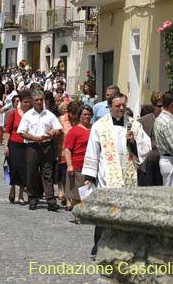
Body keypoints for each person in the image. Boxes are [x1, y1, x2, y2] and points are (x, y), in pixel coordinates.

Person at [82, 92, 151, 259]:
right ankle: (99, 245)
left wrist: (133, 143)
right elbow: (93, 150)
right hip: (107, 176)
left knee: (126, 213)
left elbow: (145, 147)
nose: (121, 108)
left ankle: (125, 247)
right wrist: (89, 177)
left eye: (123, 105)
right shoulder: (100, 125)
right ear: (110, 106)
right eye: (117, 105)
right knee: (105, 213)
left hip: (128, 176)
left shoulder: (134, 125)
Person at [17, 90, 62, 212]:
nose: (38, 102)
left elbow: (58, 128)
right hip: (32, 146)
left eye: (40, 100)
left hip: (46, 146)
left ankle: (51, 200)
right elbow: (21, 132)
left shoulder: (49, 114)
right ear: (32, 101)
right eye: (36, 100)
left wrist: (51, 133)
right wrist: (34, 138)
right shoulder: (27, 115)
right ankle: (32, 198)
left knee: (47, 173)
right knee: (31, 173)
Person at [4, 91, 32, 205]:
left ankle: (21, 194)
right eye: (25, 102)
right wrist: (6, 145)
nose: (27, 104)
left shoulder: (31, 115)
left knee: (24, 170)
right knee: (13, 168)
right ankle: (12, 188)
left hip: (26, 145)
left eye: (28, 103)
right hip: (14, 145)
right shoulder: (13, 113)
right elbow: (8, 131)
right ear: (20, 102)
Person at [64, 105, 93, 209]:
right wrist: (69, 165)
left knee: (89, 191)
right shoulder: (74, 131)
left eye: (89, 115)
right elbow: (67, 149)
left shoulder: (94, 129)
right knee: (77, 193)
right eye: (84, 114)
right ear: (79, 116)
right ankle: (78, 214)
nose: (87, 117)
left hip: (91, 166)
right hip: (78, 166)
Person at [154, 92, 173, 187]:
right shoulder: (168, 122)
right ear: (172, 105)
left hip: (166, 160)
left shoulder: (160, 118)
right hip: (172, 162)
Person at [138, 91, 164, 186]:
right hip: (148, 165)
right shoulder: (143, 121)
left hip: (163, 164)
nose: (162, 109)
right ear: (153, 106)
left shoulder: (169, 121)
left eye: (164, 106)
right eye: (159, 106)